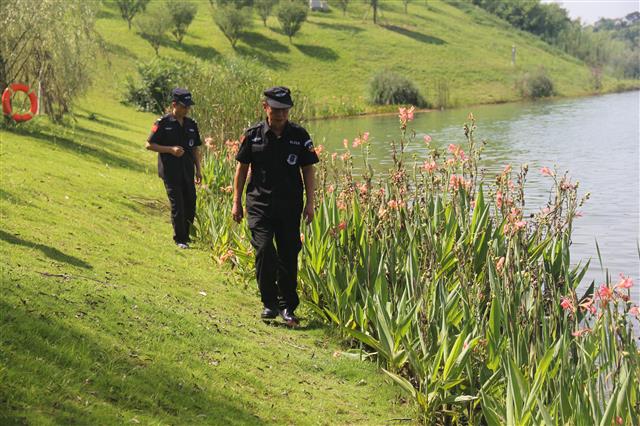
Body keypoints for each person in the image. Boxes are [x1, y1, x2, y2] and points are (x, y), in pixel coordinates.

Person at [232, 86, 318, 327]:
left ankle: (288, 306)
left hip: (290, 206)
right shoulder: (253, 135)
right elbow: (242, 169)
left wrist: (311, 203)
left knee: (289, 254)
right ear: (265, 107)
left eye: (285, 110)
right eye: (276, 109)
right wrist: (236, 202)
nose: (280, 114)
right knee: (264, 250)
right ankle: (269, 303)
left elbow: (308, 169)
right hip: (259, 204)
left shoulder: (299, 135)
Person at [146, 88, 202, 249]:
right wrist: (170, 150)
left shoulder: (191, 124)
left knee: (190, 203)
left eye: (188, 107)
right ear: (174, 105)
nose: (187, 109)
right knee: (178, 205)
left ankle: (187, 235)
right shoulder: (163, 123)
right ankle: (180, 239)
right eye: (184, 106)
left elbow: (195, 149)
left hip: (188, 171)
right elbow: (149, 144)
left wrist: (199, 169)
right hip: (171, 172)